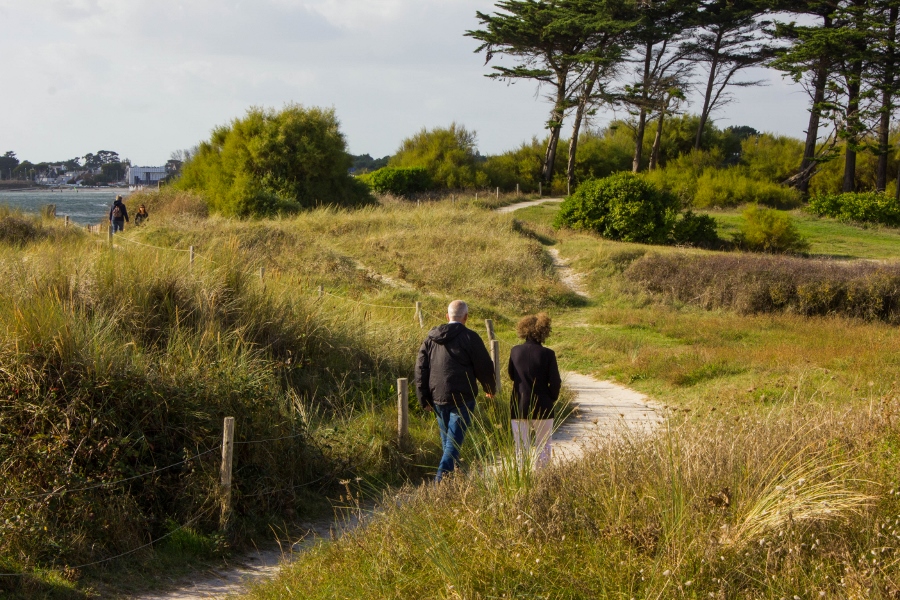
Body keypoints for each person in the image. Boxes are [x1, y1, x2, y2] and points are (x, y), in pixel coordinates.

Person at [415, 300, 496, 482]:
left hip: (437, 396)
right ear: (466, 317)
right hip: (462, 397)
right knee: (453, 443)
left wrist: (423, 397)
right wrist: (489, 387)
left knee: (449, 442)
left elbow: (421, 369)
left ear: (447, 316)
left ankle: (454, 483)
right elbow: (483, 366)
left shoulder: (430, 339)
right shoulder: (470, 338)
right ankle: (440, 482)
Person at [508, 313, 561, 470]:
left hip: (518, 403)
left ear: (523, 330)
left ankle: (522, 477)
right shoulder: (548, 354)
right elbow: (556, 381)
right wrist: (552, 397)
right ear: (544, 331)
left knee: (521, 446)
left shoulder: (515, 351)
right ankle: (542, 479)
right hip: (542, 403)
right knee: (544, 445)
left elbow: (512, 375)